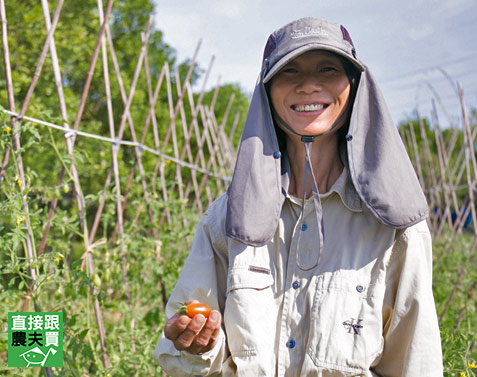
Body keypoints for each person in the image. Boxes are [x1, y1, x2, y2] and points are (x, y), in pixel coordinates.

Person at [154, 17, 443, 377]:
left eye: (328, 69)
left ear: (354, 87)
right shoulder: (229, 218)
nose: (309, 84)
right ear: (267, 91)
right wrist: (196, 345)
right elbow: (182, 348)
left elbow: (417, 362)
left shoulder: (394, 227)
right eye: (290, 71)